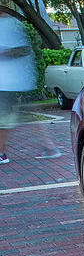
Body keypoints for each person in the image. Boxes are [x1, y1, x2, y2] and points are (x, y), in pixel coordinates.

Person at [0, 10, 39, 164]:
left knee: (4, 120)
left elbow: (23, 50)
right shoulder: (11, 24)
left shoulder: (8, 24)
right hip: (9, 83)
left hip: (6, 84)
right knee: (6, 120)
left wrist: (5, 51)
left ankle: (1, 153)